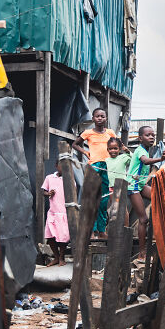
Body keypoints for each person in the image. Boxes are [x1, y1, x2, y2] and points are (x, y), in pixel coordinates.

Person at [73, 107, 117, 238]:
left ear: (106, 118)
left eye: (102, 116)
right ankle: (91, 231)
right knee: (91, 199)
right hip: (94, 166)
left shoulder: (110, 132)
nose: (100, 118)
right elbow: (75, 144)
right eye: (97, 116)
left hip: (107, 166)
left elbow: (117, 146)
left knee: (103, 201)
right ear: (93, 118)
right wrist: (85, 152)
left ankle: (101, 231)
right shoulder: (88, 133)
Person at [128, 126, 165, 261]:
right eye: (148, 135)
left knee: (161, 198)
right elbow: (145, 161)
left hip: (141, 185)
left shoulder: (146, 150)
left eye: (153, 135)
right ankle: (141, 252)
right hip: (133, 187)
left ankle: (161, 238)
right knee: (143, 219)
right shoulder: (140, 151)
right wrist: (160, 159)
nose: (151, 137)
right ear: (140, 138)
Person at [41, 163, 69, 266]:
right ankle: (56, 257)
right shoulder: (49, 178)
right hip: (52, 212)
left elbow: (73, 192)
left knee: (63, 238)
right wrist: (48, 194)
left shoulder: (69, 179)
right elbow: (44, 191)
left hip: (64, 212)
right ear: (56, 166)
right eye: (61, 165)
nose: (63, 167)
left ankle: (62, 258)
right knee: (50, 237)